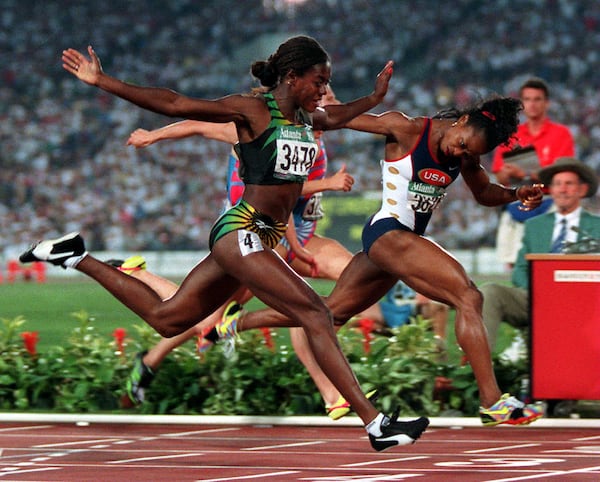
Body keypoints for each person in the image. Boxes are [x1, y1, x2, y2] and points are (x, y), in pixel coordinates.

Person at [22, 36, 430, 452]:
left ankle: (75, 255)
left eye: (327, 82)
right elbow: (177, 104)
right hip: (242, 228)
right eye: (319, 81)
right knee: (315, 312)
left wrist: (374, 96)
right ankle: (375, 423)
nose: (324, 91)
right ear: (291, 77)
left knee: (169, 320)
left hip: (262, 238)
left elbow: (340, 114)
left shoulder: (311, 119)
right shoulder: (253, 110)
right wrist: (104, 81)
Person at [205, 94, 547, 427]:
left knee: (330, 312)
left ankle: (235, 323)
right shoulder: (406, 128)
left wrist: (515, 194)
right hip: (390, 232)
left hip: (392, 246)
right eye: (461, 144)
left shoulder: (467, 155)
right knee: (469, 296)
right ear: (460, 122)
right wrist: (297, 108)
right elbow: (341, 120)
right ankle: (492, 402)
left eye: (468, 152)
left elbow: (484, 193)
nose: (459, 153)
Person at [120, 111, 381, 419]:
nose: (323, 114)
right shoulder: (251, 130)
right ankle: (141, 284)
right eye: (320, 104)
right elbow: (198, 124)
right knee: (206, 320)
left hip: (287, 235)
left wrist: (295, 243)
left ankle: (334, 392)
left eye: (327, 107)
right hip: (245, 239)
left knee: (335, 294)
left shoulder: (305, 134)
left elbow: (283, 200)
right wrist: (153, 135)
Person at [480, 157, 600, 351]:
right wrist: (540, 292)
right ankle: (480, 369)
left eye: (569, 184)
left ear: (582, 190)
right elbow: (520, 270)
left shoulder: (597, 226)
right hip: (537, 298)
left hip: (582, 303)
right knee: (490, 292)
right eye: (558, 184)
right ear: (550, 190)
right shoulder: (534, 226)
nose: (562, 189)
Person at [492, 77, 576, 269]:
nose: (532, 104)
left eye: (537, 99)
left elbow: (563, 174)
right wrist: (510, 173)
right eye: (528, 99)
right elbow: (499, 176)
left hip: (550, 202)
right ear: (522, 104)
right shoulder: (512, 136)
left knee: (550, 264)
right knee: (513, 264)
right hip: (518, 201)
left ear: (547, 103)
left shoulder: (561, 134)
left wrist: (524, 174)